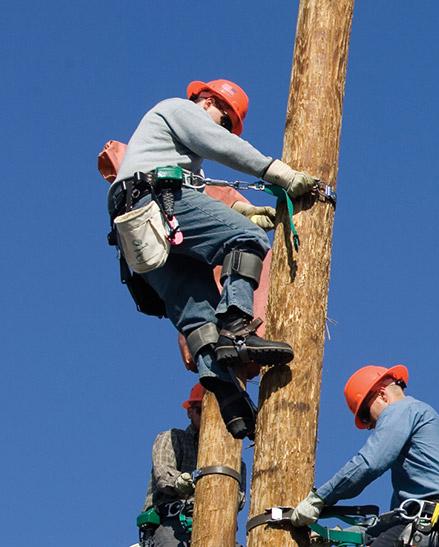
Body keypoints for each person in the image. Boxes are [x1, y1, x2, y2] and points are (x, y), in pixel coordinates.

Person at [107, 79, 317, 439]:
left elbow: (202, 194)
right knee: (245, 239)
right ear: (206, 99)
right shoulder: (177, 109)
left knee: (198, 308)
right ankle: (236, 327)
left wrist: (243, 209)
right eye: (223, 117)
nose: (221, 127)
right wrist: (278, 173)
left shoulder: (168, 153)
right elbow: (220, 146)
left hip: (137, 230)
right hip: (156, 202)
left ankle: (225, 391)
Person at [289, 365, 439, 547]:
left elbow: (369, 463)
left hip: (435, 527)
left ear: (382, 395)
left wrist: (319, 499)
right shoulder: (435, 465)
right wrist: (342, 535)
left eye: (366, 415)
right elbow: (398, 520)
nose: (370, 426)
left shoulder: (402, 410)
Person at [138, 385, 203, 547]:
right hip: (171, 524)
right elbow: (163, 474)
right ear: (190, 412)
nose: (208, 417)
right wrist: (180, 481)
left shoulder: (230, 459)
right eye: (201, 410)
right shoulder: (173, 438)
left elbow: (239, 498)